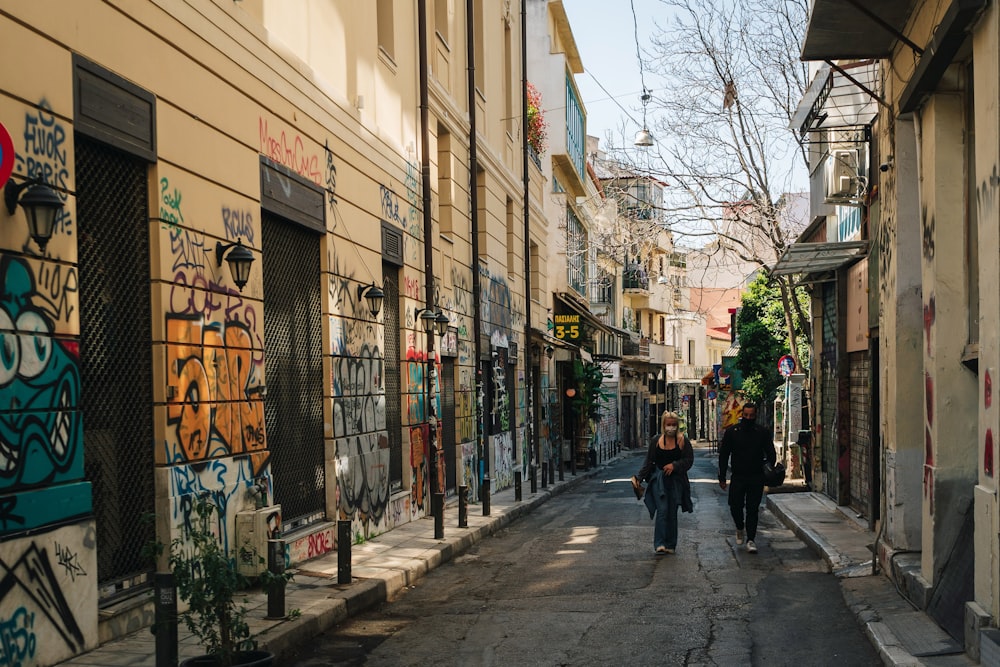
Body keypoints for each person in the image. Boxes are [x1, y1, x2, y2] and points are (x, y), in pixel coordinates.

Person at [631, 411, 694, 554]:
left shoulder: (683, 441)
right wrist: (639, 478)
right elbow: (649, 461)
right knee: (662, 510)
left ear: (677, 425)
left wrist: (675, 465)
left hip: (676, 482)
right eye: (668, 424)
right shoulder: (656, 441)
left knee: (672, 512)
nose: (670, 427)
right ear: (663, 425)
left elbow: (689, 461)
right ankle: (659, 543)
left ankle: (671, 544)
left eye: (673, 424)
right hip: (658, 481)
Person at [718, 403, 776, 554]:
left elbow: (771, 453)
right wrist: (722, 477)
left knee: (752, 509)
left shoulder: (762, 432)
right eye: (746, 415)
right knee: (735, 506)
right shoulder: (732, 432)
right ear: (742, 415)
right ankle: (739, 527)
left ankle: (751, 539)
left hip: (756, 476)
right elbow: (724, 455)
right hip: (738, 476)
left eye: (751, 415)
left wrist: (767, 467)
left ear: (755, 416)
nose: (748, 418)